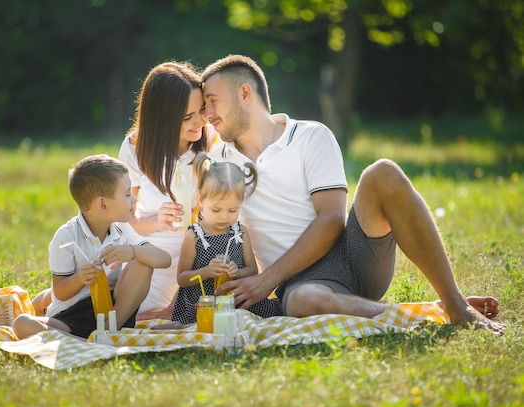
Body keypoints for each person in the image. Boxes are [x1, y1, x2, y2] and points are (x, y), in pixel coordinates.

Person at [201, 54, 505, 334]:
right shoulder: (217, 163)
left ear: (244, 94)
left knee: (382, 173)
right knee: (303, 301)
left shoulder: (310, 136)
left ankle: (455, 303)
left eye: (213, 101)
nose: (208, 115)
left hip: (354, 256)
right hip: (301, 284)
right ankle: (418, 316)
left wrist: (265, 281)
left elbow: (332, 220)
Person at [12, 154, 171, 339]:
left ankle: (109, 331)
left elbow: (164, 259)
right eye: (127, 194)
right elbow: (60, 292)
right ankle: (83, 340)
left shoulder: (123, 229)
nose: (134, 200)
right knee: (22, 324)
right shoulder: (66, 236)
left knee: (143, 260)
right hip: (72, 316)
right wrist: (80, 278)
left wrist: (132, 251)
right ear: (102, 204)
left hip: (113, 311)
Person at [119, 61, 221, 321]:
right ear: (161, 118)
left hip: (199, 256)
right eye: (187, 117)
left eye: (201, 110)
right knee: (132, 313)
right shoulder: (135, 147)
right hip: (151, 257)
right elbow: (125, 221)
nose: (200, 121)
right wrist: (156, 220)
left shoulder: (210, 141)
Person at [171, 152, 281, 324]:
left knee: (271, 311)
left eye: (232, 210)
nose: (224, 217)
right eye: (216, 210)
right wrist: (206, 272)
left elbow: (252, 269)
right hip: (203, 304)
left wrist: (237, 272)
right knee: (209, 322)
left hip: (235, 301)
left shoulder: (240, 232)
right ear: (200, 200)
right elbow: (182, 278)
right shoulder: (194, 236)